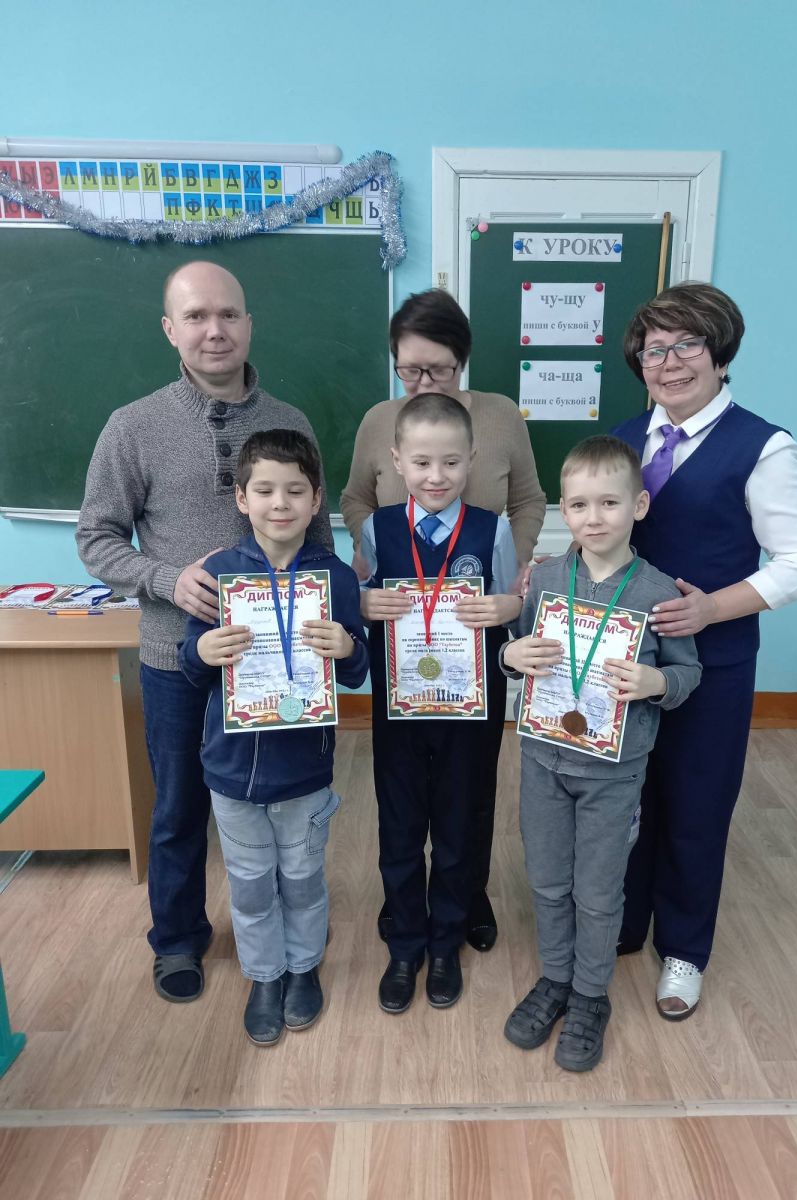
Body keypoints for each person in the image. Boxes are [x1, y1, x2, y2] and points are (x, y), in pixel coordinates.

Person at [76, 261, 333, 1004]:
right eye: (195, 316)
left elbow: (318, 539)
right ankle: (179, 938)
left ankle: (290, 932)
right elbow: (96, 537)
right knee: (179, 805)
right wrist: (165, 579)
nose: (213, 330)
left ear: (249, 323)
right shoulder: (133, 426)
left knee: (285, 803)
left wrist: (326, 623)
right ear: (170, 330)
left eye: (227, 314)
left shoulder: (291, 421)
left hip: (278, 663)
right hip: (175, 660)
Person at [613, 281, 797, 1019]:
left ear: (721, 352)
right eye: (654, 350)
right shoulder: (624, 436)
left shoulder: (763, 447)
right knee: (627, 793)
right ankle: (625, 920)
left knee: (696, 803)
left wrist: (711, 609)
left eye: (688, 345)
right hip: (624, 660)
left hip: (715, 665)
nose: (670, 362)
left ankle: (684, 950)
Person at [341, 288, 546, 953]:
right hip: (403, 640)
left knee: (469, 790)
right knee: (402, 793)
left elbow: (529, 498)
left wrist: (513, 578)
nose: (424, 381)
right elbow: (354, 497)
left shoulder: (500, 417)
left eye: (438, 368)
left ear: (462, 358)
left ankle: (466, 895)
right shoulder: (380, 421)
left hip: (473, 635)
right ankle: (407, 905)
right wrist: (369, 558)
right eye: (410, 370)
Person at [501, 436, 701, 1071]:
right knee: (547, 879)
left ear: (638, 506)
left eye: (610, 502)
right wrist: (510, 655)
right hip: (542, 761)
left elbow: (688, 673)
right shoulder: (546, 578)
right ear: (563, 509)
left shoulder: (660, 591)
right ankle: (555, 978)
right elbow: (518, 647)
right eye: (579, 504)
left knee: (596, 889)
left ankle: (590, 994)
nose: (594, 517)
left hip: (613, 773)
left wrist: (657, 681)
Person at [178, 430, 367, 1044]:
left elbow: (358, 670)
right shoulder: (218, 574)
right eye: (264, 490)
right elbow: (190, 664)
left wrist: (348, 648)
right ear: (241, 499)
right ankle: (265, 975)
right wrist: (203, 650)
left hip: (303, 771)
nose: (279, 503)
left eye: (294, 491)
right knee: (251, 884)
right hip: (230, 768)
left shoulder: (336, 578)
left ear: (316, 500)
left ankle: (305, 966)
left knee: (303, 877)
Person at [358, 393, 523, 1013]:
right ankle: (406, 941)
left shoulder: (492, 528)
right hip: (400, 706)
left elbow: (513, 608)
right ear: (397, 459)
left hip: (471, 708)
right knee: (400, 822)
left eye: (451, 462)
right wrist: (363, 603)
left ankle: (447, 938)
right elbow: (362, 599)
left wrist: (508, 607)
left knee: (461, 819)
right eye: (422, 462)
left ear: (472, 459)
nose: (436, 476)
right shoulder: (376, 529)